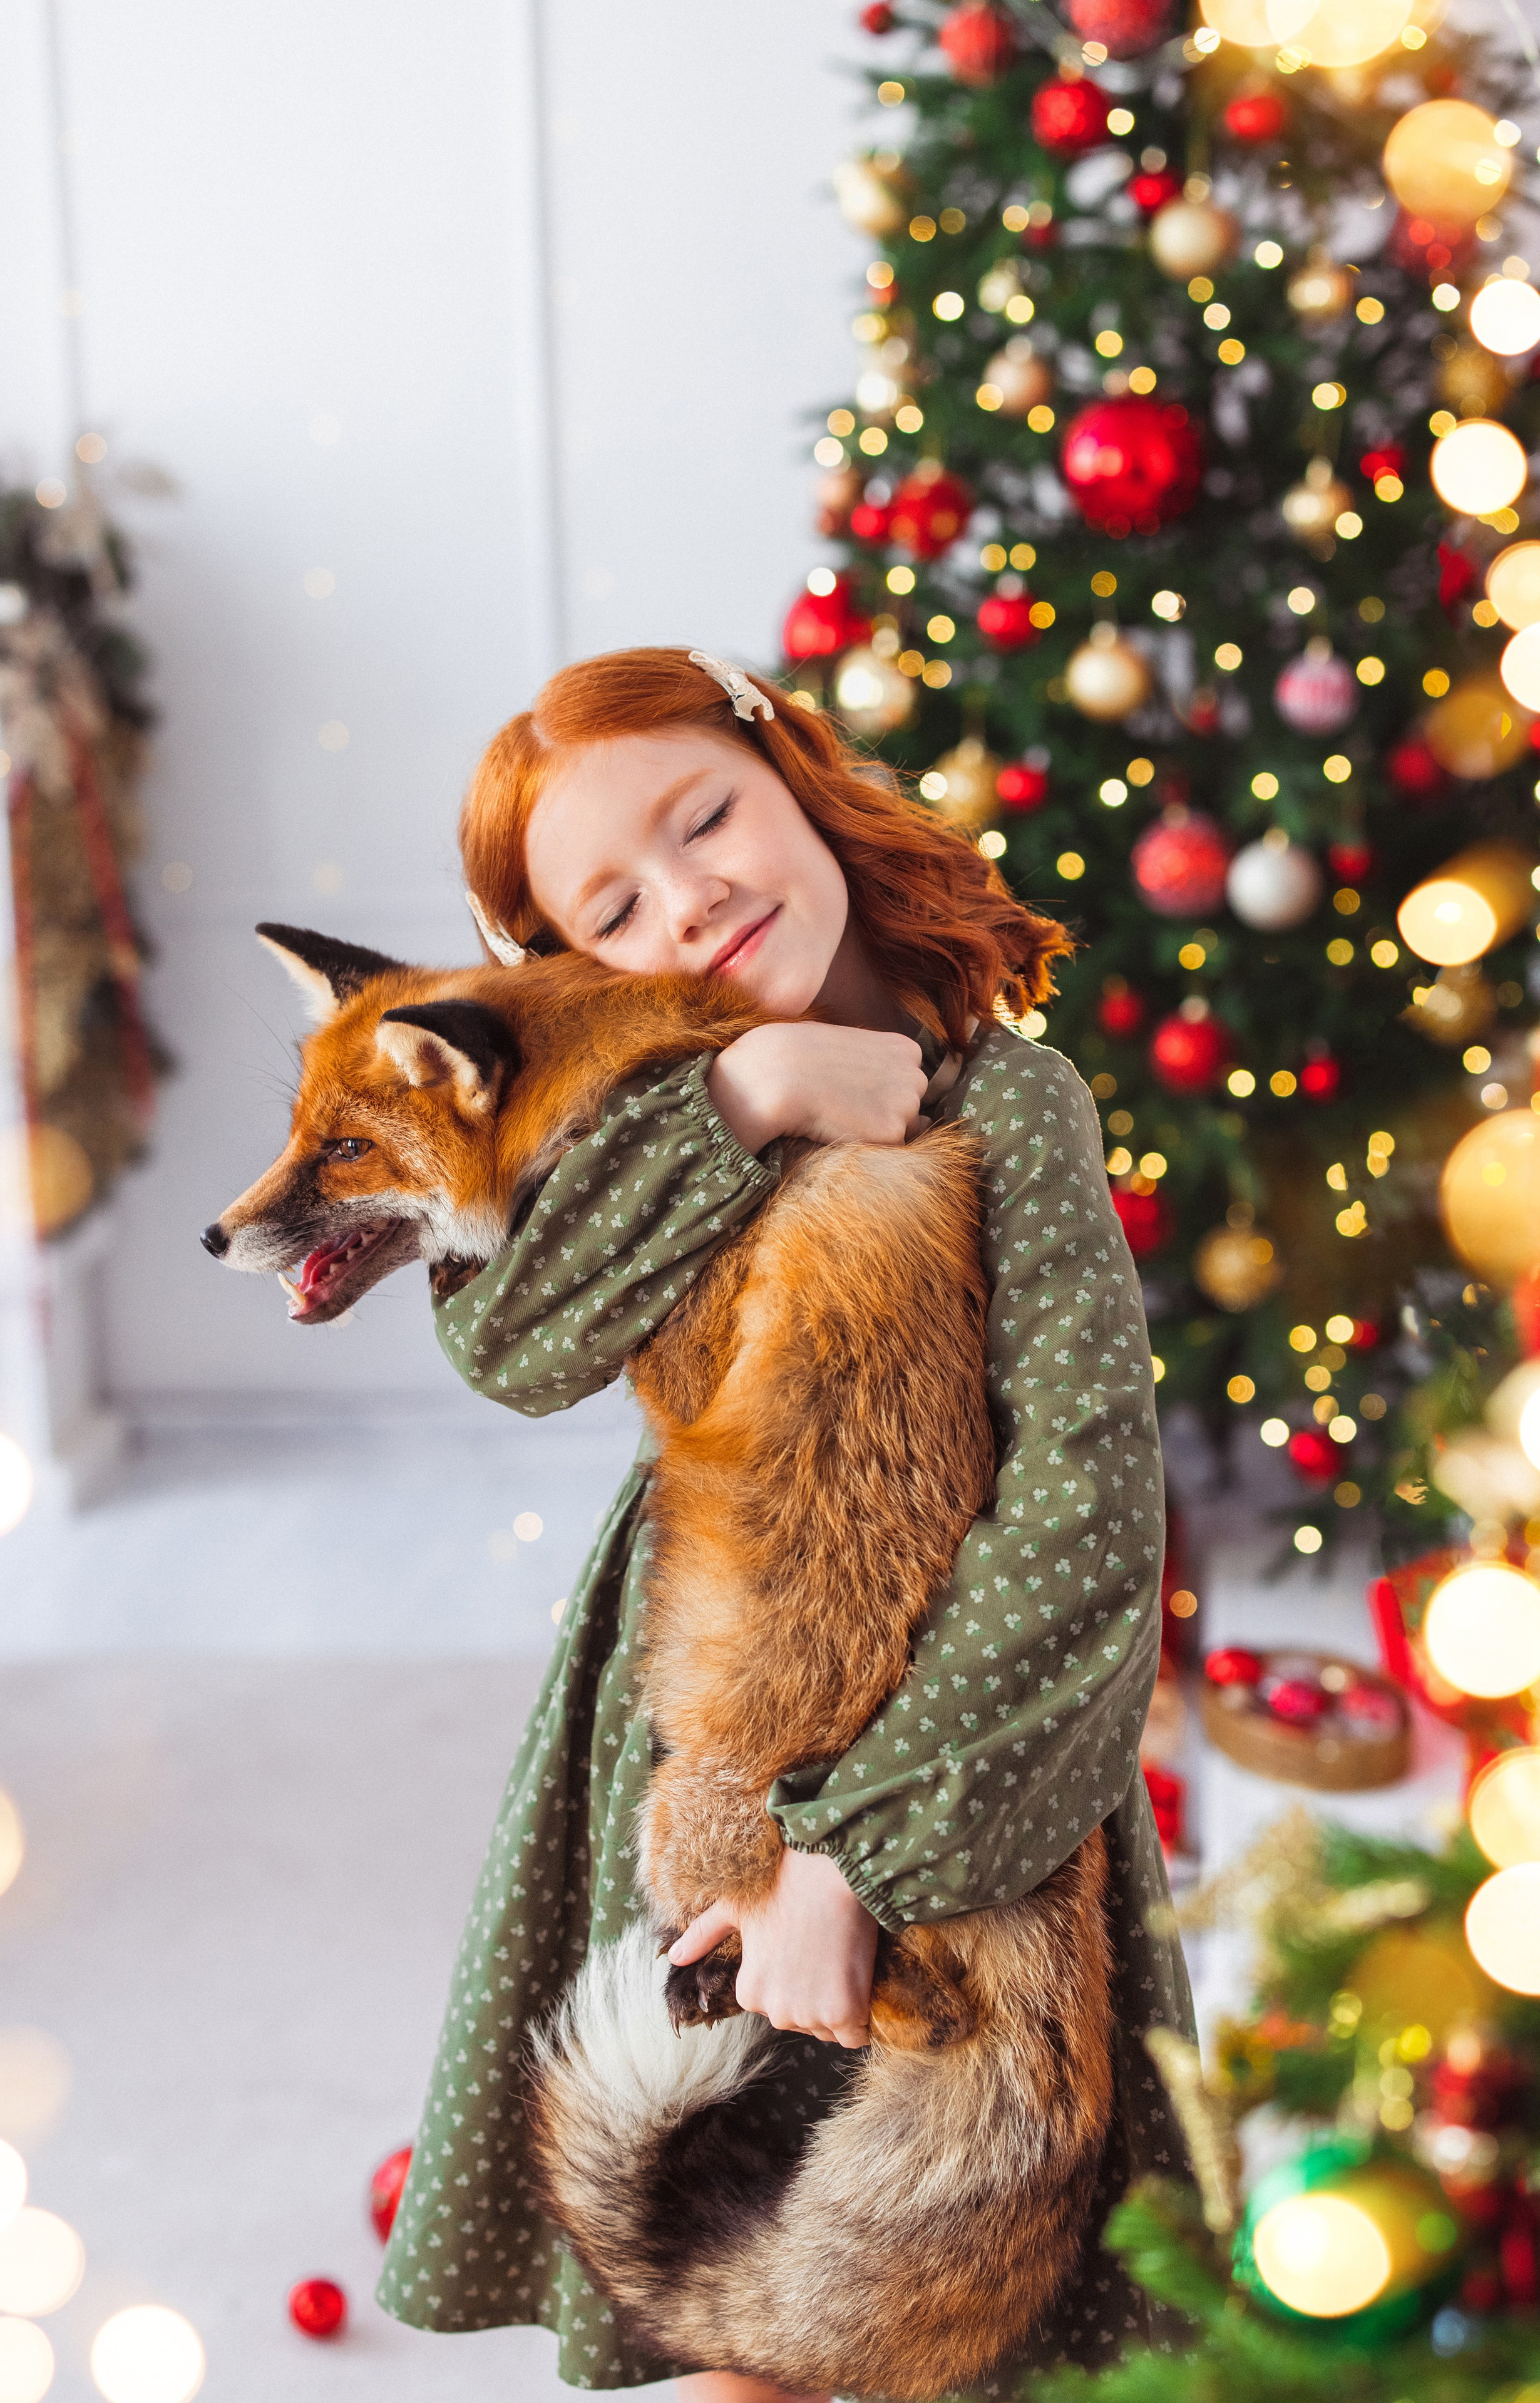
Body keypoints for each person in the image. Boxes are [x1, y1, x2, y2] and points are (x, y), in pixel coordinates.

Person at [376, 647, 1196, 2403]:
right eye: (616, 904)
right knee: (710, 2283)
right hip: (693, 1738)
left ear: (787, 768)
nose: (694, 898)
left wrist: (853, 1863)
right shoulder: (655, 1116)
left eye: (708, 818)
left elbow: (1084, 1513)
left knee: (950, 2288)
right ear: (573, 968)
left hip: (966, 1761)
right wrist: (750, 1103)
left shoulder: (1007, 1106)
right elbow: (506, 1340)